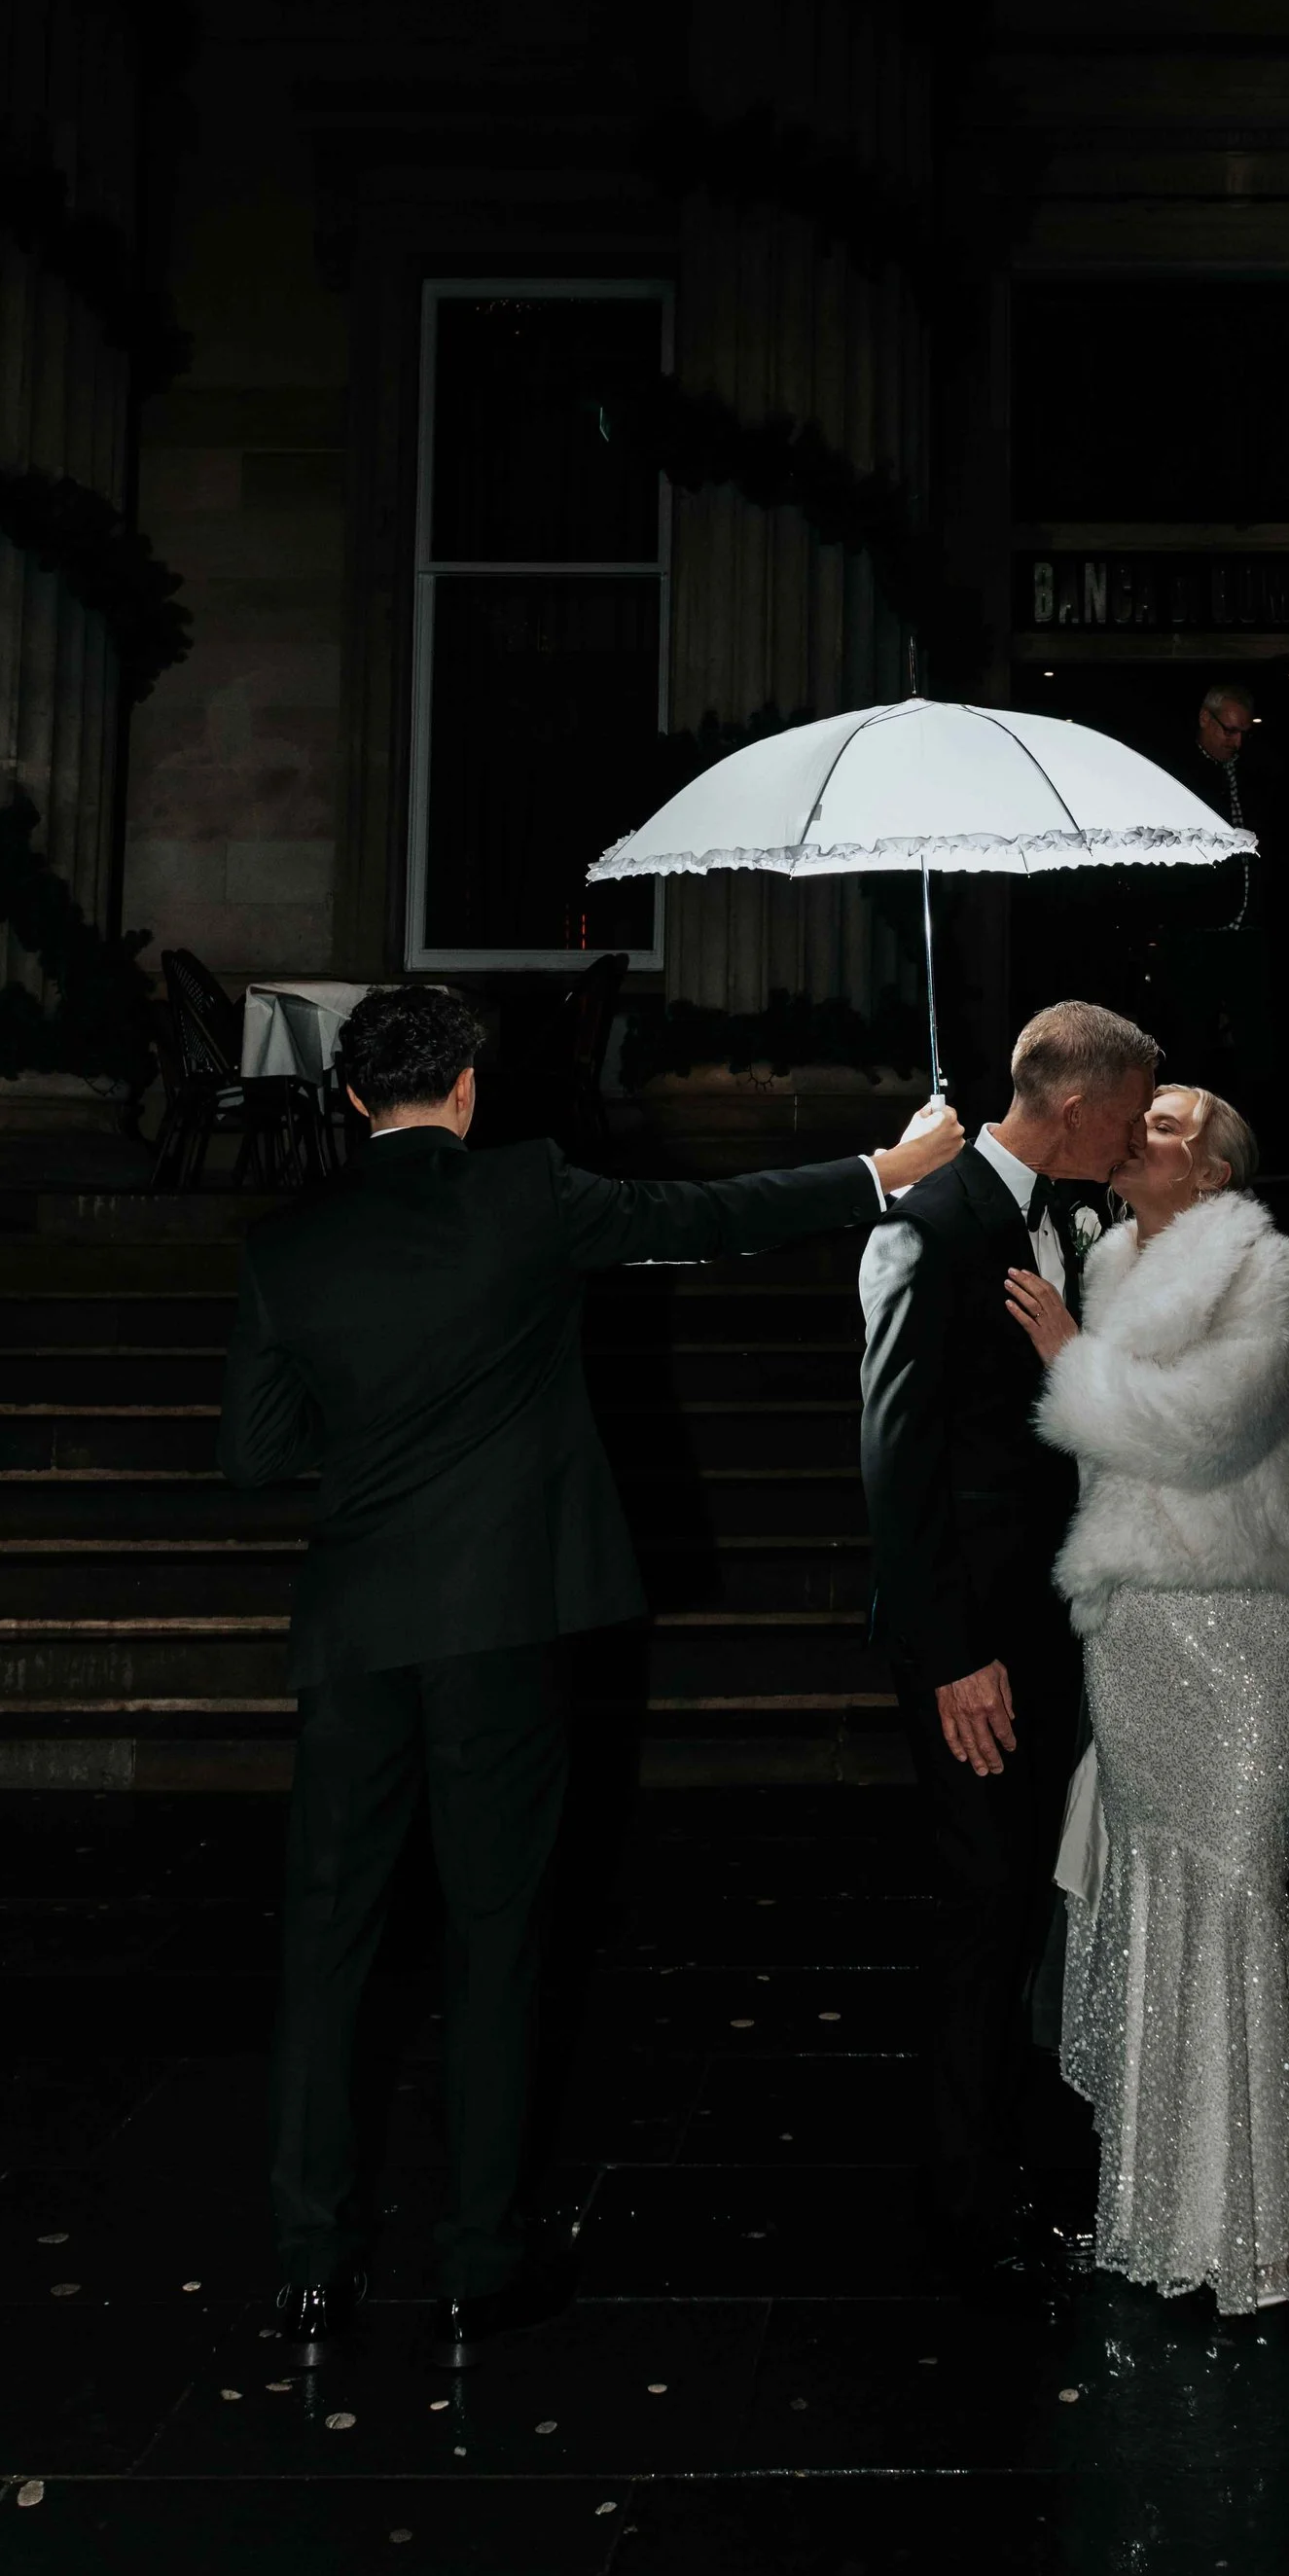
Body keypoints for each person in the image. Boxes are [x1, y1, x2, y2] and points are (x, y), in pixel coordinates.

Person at [219, 980, 963, 2366]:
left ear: (350, 1097)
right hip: (503, 1617)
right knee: (493, 1935)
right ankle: (478, 2262)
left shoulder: (287, 1245)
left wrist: (379, 1434)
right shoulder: (525, 1194)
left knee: (327, 1945)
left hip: (355, 1633)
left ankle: (312, 2270)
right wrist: (887, 1167)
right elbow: (710, 1218)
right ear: (467, 1089)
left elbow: (255, 1454)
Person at [1005, 1085, 1289, 2314]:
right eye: (1144, 1115)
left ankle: (1260, 2226)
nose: (1141, 1130)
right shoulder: (1103, 1261)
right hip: (1136, 1624)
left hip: (1245, 1613)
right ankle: (1164, 2211)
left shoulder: (1270, 1273)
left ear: (1214, 1171)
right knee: (1154, 1887)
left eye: (1169, 1124)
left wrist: (1071, 1359)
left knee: (1235, 1884)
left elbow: (1210, 1431)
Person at [857, 997, 1159, 2276]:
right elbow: (896, 1463)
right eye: (1128, 1116)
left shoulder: (1061, 1218)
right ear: (1077, 1107)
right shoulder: (925, 1228)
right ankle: (965, 2205)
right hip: (968, 1638)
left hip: (1041, 1620)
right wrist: (949, 1655)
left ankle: (996, 2165)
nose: (1134, 1138)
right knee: (984, 1901)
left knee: (1018, 1892)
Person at [1155, 680, 1285, 1146]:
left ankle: (1249, 1141)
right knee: (1191, 1040)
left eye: (1244, 732)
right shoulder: (1180, 773)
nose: (1237, 741)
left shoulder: (1253, 772)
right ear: (1205, 720)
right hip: (1197, 932)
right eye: (1229, 730)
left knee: (1256, 1040)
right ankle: (1181, 1140)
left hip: (1246, 932)